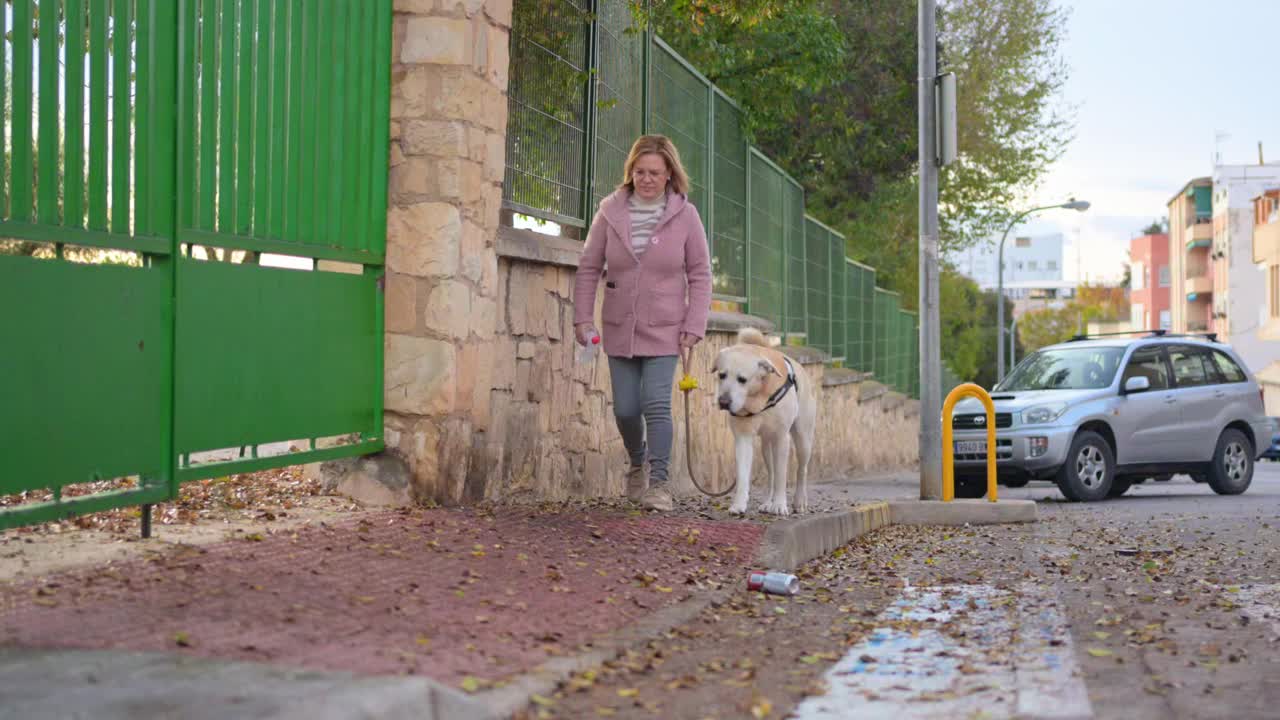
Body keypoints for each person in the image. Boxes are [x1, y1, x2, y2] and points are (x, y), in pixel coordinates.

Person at [572, 135, 712, 511]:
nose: (646, 179)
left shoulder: (686, 216)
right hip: (619, 326)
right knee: (626, 410)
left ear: (669, 175)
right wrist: (583, 320)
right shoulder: (609, 212)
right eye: (640, 172)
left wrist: (694, 324)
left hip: (667, 328)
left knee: (656, 405)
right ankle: (638, 461)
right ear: (630, 172)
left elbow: (700, 274)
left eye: (654, 172)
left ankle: (660, 483)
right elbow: (588, 268)